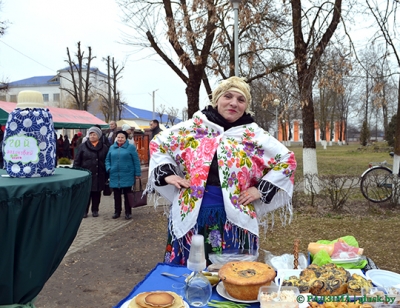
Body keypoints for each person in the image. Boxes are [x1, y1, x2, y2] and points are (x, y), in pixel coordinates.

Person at [145, 76, 297, 266]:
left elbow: (287, 160)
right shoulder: (194, 128)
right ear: (217, 100)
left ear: (246, 106)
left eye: (241, 100)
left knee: (232, 274)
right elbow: (158, 143)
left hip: (235, 218)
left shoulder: (253, 135)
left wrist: (261, 189)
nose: (234, 103)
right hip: (192, 213)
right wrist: (167, 173)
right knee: (189, 271)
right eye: (228, 96)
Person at [73, 126, 109, 218]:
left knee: (96, 194)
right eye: (91, 134)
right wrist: (76, 172)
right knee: (86, 194)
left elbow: (107, 160)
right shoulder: (83, 146)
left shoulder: (104, 147)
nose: (92, 136)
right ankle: (84, 211)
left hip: (99, 174)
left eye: (94, 134)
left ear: (99, 136)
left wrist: (106, 174)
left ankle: (95, 210)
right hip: (87, 174)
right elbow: (77, 161)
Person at [106, 130, 141, 220]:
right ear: (116, 138)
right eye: (118, 137)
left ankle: (128, 212)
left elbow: (136, 161)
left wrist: (137, 173)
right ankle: (117, 211)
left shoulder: (131, 148)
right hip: (114, 174)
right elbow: (107, 160)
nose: (120, 139)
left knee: (127, 194)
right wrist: (109, 168)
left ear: (125, 138)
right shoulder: (112, 148)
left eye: (122, 137)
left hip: (127, 174)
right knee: (116, 195)